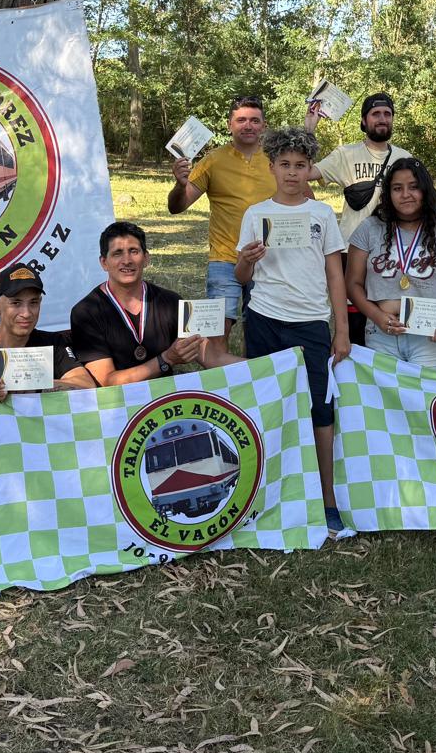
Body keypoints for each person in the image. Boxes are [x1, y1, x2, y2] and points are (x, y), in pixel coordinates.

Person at [235, 127, 351, 535]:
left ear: (309, 171)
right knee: (269, 406)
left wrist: (341, 329)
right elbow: (241, 275)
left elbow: (335, 275)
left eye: (300, 166)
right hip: (265, 319)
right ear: (272, 167)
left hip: (310, 324)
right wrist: (248, 261)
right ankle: (266, 495)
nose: (292, 173)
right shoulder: (255, 214)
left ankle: (327, 499)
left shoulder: (321, 215)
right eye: (284, 165)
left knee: (320, 410)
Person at [0, 264, 96, 497]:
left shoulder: (54, 344)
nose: (26, 313)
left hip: (41, 446)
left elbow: (88, 390)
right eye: (16, 303)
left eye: (34, 302)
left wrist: (40, 385)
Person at [168, 96, 275, 358]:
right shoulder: (213, 160)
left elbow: (305, 200)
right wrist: (180, 185)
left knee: (261, 332)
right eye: (241, 120)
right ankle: (222, 388)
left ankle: (256, 387)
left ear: (263, 125)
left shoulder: (276, 160)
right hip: (224, 260)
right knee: (215, 337)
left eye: (254, 120)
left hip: (269, 260)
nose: (248, 125)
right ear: (229, 124)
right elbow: (177, 206)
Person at [305, 92, 413, 344]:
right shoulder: (346, 155)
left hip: (394, 250)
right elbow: (306, 171)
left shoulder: (405, 158)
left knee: (389, 318)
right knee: (355, 323)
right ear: (364, 121)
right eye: (376, 114)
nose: (382, 119)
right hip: (352, 249)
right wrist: (309, 129)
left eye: (387, 114)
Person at [345, 157, 436, 368]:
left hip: (430, 338)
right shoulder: (370, 228)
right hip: (381, 333)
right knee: (386, 400)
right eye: (397, 188)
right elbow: (352, 284)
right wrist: (376, 316)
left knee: (431, 399)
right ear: (388, 193)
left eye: (413, 187)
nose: (405, 195)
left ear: (426, 190)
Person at [69, 221, 215, 386]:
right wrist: (166, 359)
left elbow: (212, 357)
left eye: (134, 251)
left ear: (146, 258)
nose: (127, 260)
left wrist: (250, 367)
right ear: (104, 262)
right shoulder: (86, 312)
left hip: (165, 401)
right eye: (117, 253)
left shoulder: (172, 301)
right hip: (118, 405)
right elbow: (106, 382)